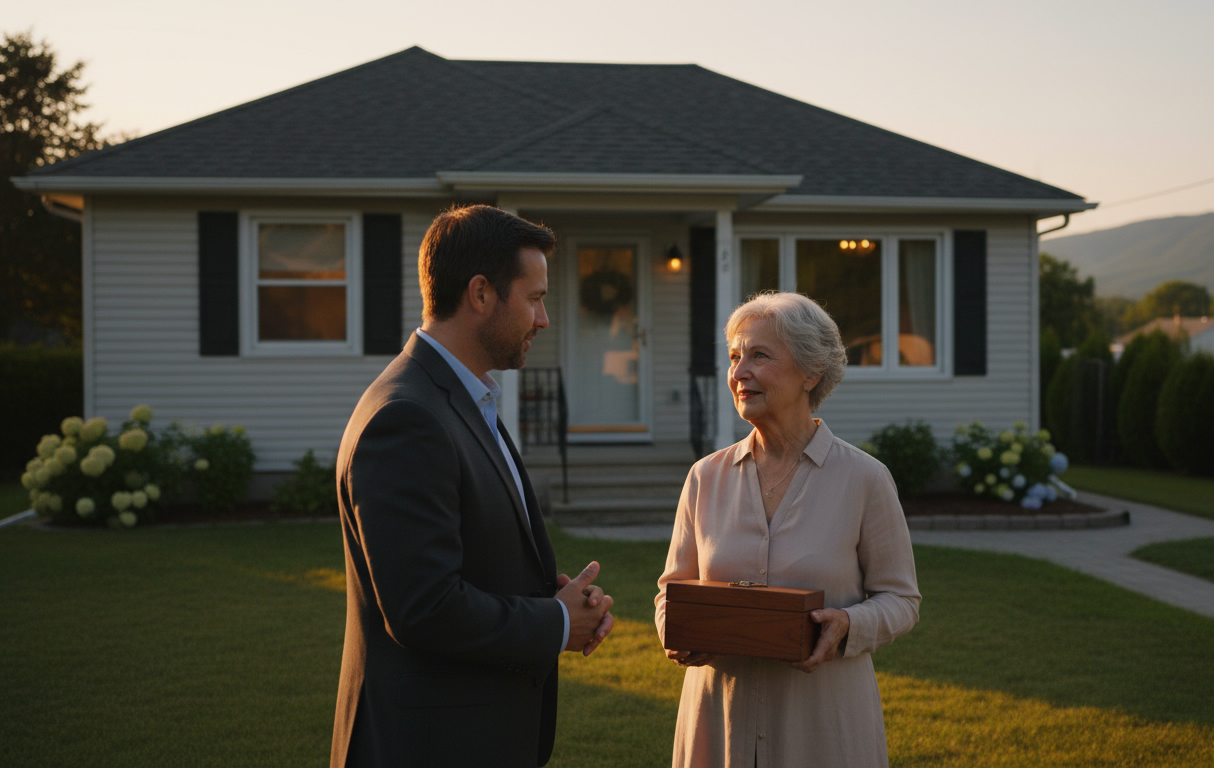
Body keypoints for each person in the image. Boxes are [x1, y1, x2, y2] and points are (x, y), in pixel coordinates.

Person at [330, 205, 615, 768]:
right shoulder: (406, 418)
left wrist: (555, 602)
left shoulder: (461, 397)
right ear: (481, 294)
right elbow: (424, 607)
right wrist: (555, 622)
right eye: (533, 299)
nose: (544, 319)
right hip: (430, 746)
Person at [655, 292, 922, 768]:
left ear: (810, 372)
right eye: (735, 357)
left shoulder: (864, 479)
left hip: (822, 727)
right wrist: (674, 632)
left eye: (758, 355)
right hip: (719, 721)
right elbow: (671, 591)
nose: (738, 373)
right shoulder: (705, 477)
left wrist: (848, 625)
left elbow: (901, 599)